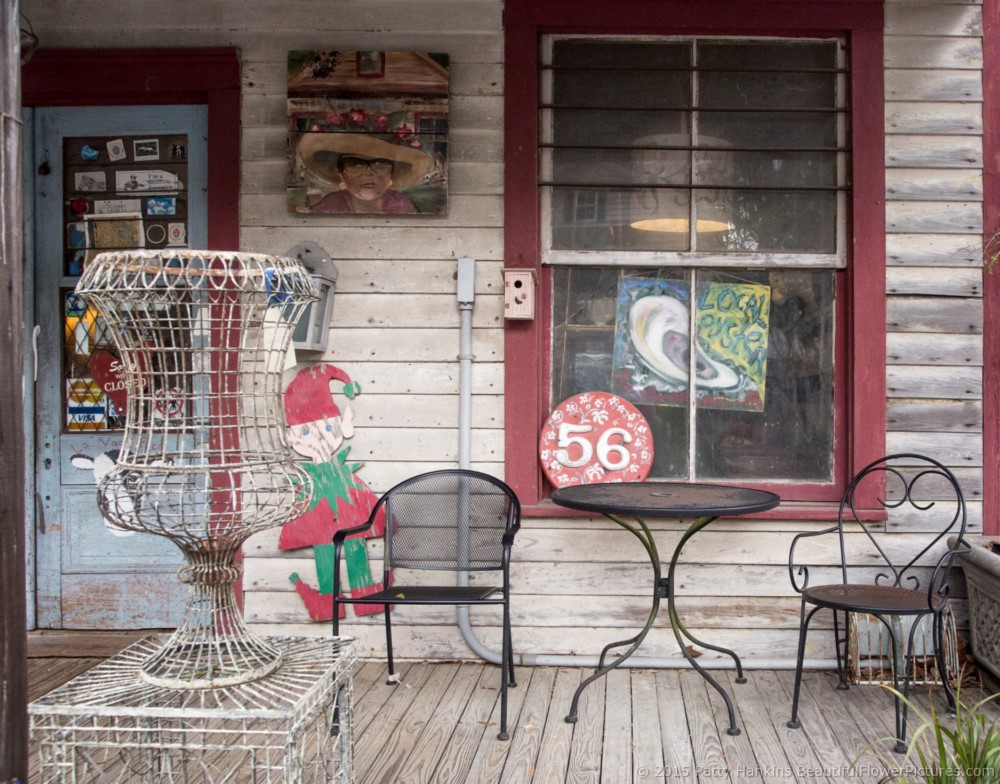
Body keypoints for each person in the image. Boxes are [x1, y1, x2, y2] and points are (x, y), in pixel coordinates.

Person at [296, 131, 434, 214]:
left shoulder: (401, 203)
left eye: (380, 165)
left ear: (391, 175)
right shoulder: (329, 205)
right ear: (341, 174)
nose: (369, 173)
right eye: (355, 165)